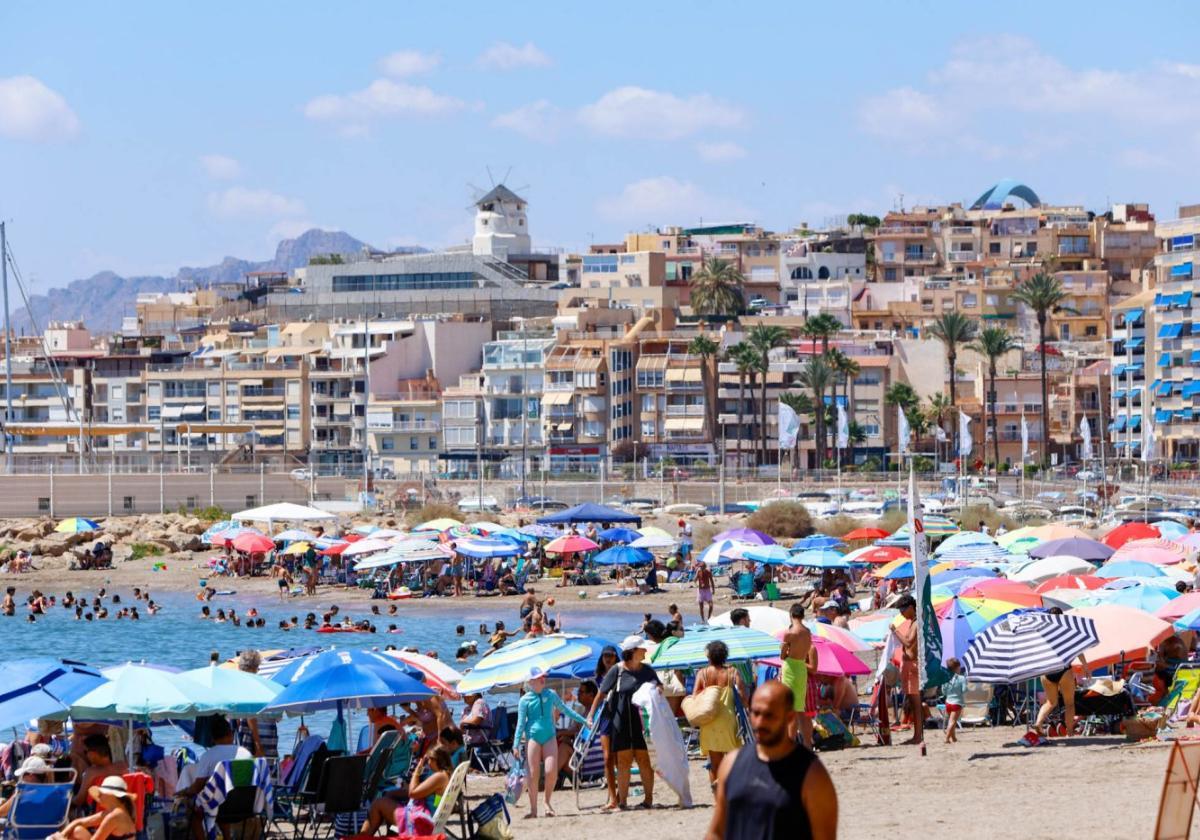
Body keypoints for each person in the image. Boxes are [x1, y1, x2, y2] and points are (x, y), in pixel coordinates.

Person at [705, 681, 839, 840]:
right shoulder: (732, 763)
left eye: (769, 715)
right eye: (755, 713)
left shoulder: (812, 775)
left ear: (789, 718)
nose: (760, 722)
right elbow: (717, 832)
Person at [588, 635, 660, 810]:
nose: (645, 651)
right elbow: (601, 694)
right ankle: (622, 802)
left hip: (642, 723)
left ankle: (648, 800)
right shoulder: (617, 670)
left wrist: (658, 690)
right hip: (621, 720)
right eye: (642, 649)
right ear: (632, 651)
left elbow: (659, 688)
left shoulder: (648, 670)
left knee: (644, 759)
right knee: (623, 761)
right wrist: (590, 716)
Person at [512, 666, 588, 818]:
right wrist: (515, 745)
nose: (543, 679)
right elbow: (520, 724)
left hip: (550, 736)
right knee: (533, 774)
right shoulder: (524, 700)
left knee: (551, 771)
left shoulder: (551, 694)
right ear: (531, 681)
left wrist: (584, 721)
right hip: (532, 737)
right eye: (539, 678)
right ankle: (533, 809)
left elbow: (566, 710)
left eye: (543, 677)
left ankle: (547, 802)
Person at [693, 640, 746, 785]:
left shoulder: (702, 673)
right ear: (725, 656)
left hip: (709, 721)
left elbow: (695, 696)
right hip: (728, 722)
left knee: (715, 763)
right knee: (733, 761)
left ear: (709, 656)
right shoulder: (733, 672)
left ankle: (718, 796)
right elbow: (744, 699)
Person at [1033, 608, 1091, 738]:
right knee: (1069, 703)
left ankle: (1038, 722)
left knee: (1050, 702)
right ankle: (1070, 733)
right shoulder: (1066, 631)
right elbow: (1078, 649)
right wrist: (1085, 667)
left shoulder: (1042, 633)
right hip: (1063, 670)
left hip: (1046, 671)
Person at [176, 716, 251, 796]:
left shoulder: (208, 756)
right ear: (231, 734)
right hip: (247, 802)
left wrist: (184, 792)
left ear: (212, 738)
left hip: (220, 805)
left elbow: (197, 787)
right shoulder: (246, 753)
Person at [51, 775, 138, 840]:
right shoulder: (117, 812)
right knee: (77, 831)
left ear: (111, 795)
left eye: (101, 794)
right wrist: (62, 834)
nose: (98, 797)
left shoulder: (115, 816)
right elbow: (79, 822)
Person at [780, 604, 817, 749]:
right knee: (801, 710)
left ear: (791, 615)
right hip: (801, 668)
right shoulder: (808, 632)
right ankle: (808, 744)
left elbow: (782, 656)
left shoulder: (789, 634)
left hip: (791, 668)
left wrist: (786, 651)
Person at [233, 650, 279, 760]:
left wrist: (257, 744)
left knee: (251, 773)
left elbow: (246, 717)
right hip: (266, 738)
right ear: (255, 667)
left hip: (252, 740)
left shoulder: (241, 687)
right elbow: (252, 716)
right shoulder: (264, 686)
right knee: (267, 772)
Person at [891, 594, 923, 745]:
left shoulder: (917, 623)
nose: (901, 613)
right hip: (909, 665)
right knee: (911, 702)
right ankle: (917, 735)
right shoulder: (913, 622)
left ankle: (918, 736)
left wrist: (895, 631)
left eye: (903, 609)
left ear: (911, 607)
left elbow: (909, 643)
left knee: (915, 703)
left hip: (913, 666)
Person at [74, 734, 128, 811]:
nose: (85, 755)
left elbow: (79, 800)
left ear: (93, 753)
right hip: (123, 809)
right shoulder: (123, 766)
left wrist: (69, 801)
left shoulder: (91, 773)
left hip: (99, 811)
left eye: (86, 752)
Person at [943, 658, 967, 744]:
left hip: (948, 702)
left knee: (951, 720)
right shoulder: (961, 678)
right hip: (957, 702)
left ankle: (953, 738)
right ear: (957, 668)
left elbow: (943, 691)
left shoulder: (946, 678)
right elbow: (964, 690)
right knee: (952, 721)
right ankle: (946, 738)